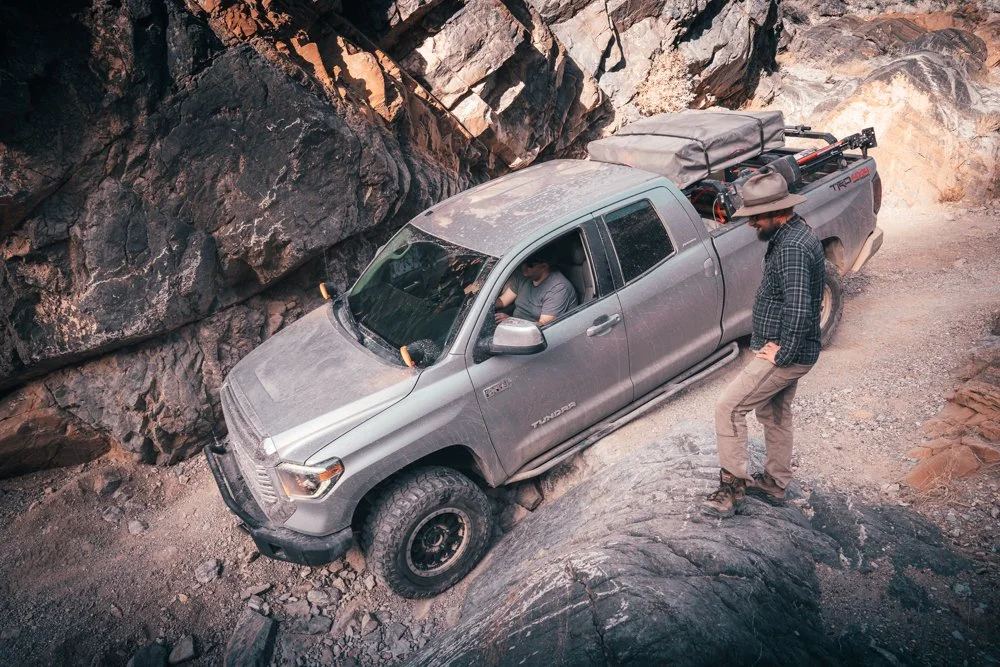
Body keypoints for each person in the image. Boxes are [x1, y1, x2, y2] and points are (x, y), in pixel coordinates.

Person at [702, 171, 826, 518]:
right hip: (790, 347)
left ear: (777, 212)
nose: (750, 223)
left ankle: (731, 488)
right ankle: (775, 482)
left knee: (729, 407)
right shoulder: (792, 234)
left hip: (787, 352)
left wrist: (783, 353)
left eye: (756, 217)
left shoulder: (793, 248)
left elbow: (800, 308)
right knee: (773, 413)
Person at [494, 252, 578, 327]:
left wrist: (511, 321)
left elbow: (543, 326)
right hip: (515, 326)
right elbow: (503, 301)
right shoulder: (523, 276)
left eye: (530, 265)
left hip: (535, 334)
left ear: (544, 266)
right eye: (523, 262)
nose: (524, 269)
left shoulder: (558, 289)